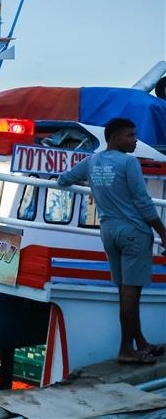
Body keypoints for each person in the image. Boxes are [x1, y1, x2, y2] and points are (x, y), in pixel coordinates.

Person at [57, 117, 166, 365]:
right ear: (114, 137)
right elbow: (143, 202)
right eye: (130, 135)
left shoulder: (92, 161)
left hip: (109, 232)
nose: (135, 140)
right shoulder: (129, 162)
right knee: (132, 294)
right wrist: (163, 231)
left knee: (124, 291)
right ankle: (126, 349)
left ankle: (140, 341)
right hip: (133, 233)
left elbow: (64, 180)